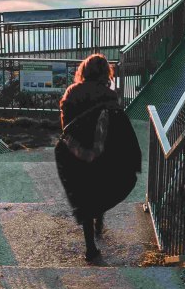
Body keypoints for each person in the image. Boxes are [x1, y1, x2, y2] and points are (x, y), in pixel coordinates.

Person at [55, 53, 142, 262]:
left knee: (84, 193)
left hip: (75, 153)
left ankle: (90, 248)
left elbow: (65, 126)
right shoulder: (109, 97)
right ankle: (99, 214)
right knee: (101, 186)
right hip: (103, 153)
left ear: (83, 71)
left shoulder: (71, 93)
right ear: (105, 73)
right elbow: (120, 130)